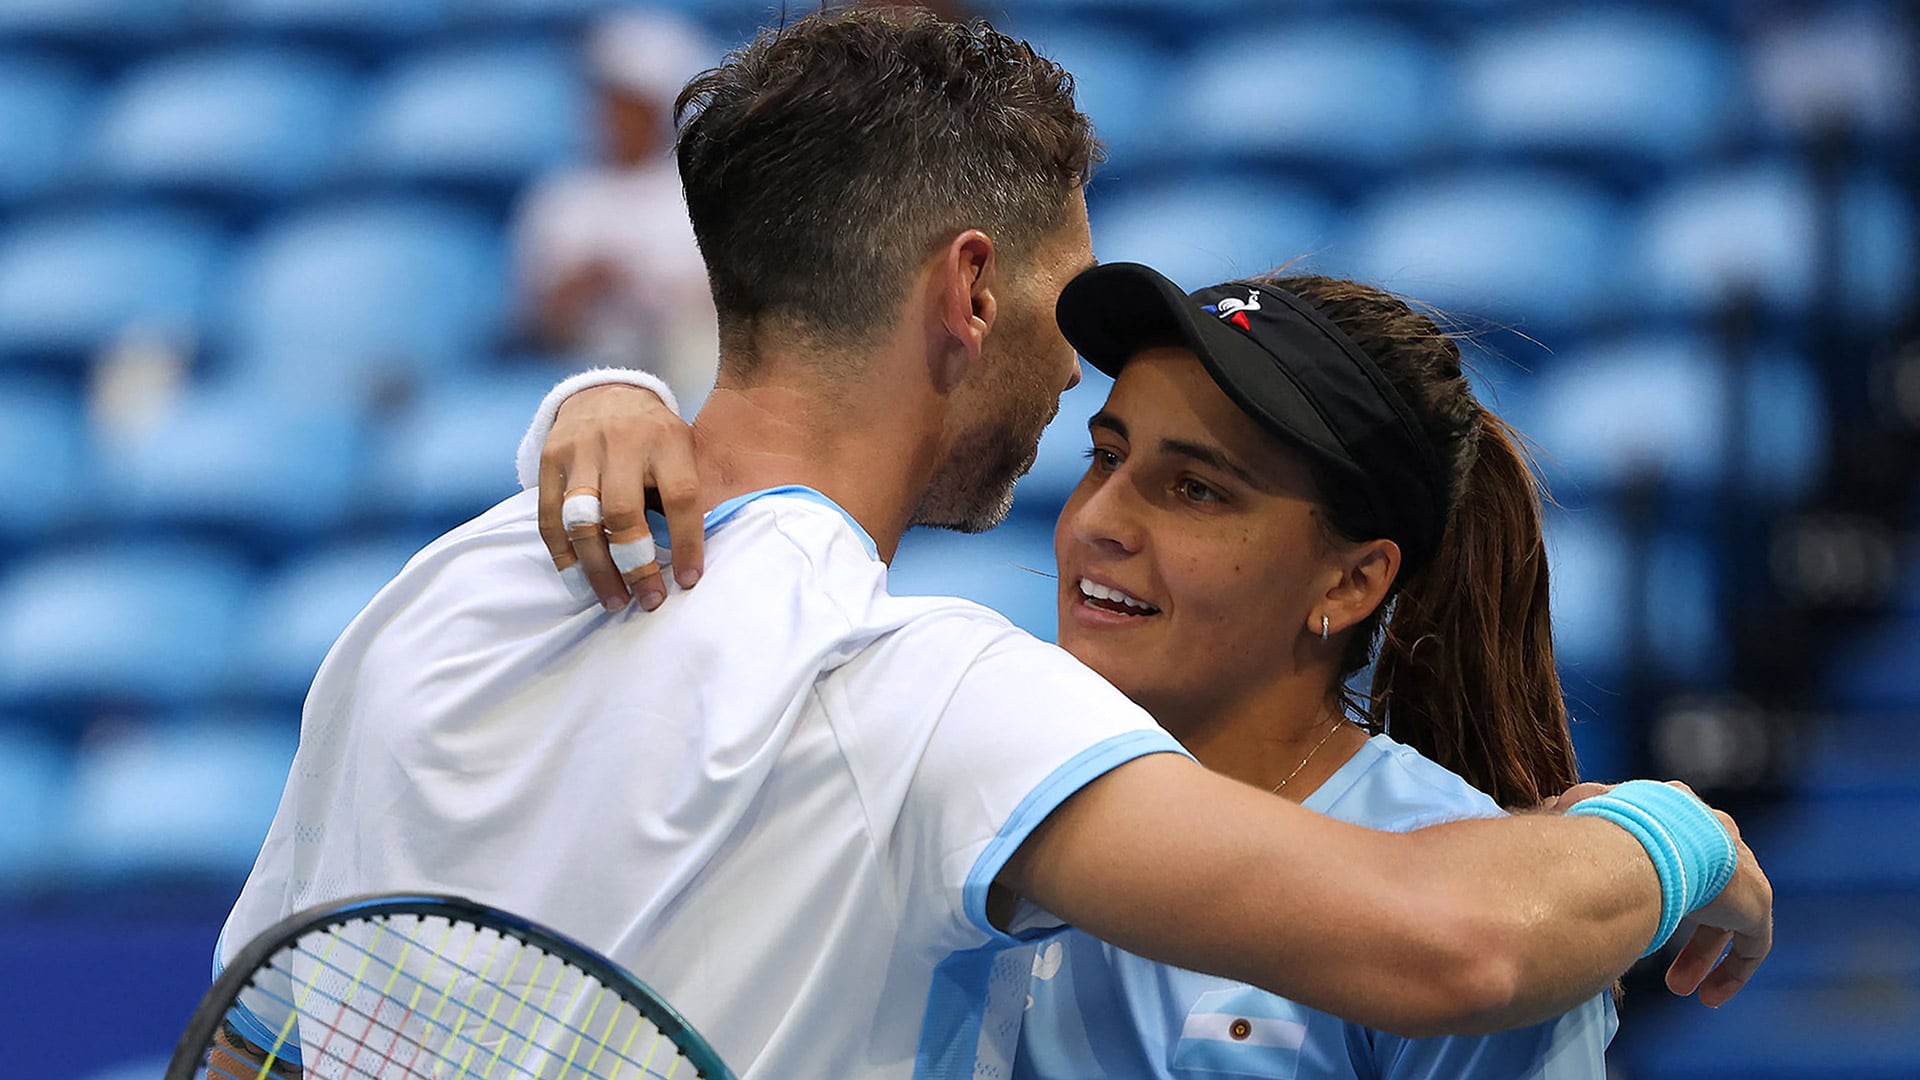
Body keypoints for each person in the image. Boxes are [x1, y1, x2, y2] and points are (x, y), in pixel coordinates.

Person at [219, 10, 1768, 1080]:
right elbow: (1448, 945)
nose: (1067, 392)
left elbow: (249, 1047)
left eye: (1199, 483)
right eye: (1057, 304)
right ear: (968, 292)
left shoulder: (442, 593)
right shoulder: (930, 701)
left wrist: (612, 396)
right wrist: (1682, 833)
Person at [527, 263, 1619, 1078]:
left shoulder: (1493, 903)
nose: (1100, 521)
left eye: (1196, 490)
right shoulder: (956, 750)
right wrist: (605, 398)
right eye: (1106, 457)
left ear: (1351, 582)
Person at [511, 8, 721, 408]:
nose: (613, 116)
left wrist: (647, 290)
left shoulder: (700, 193)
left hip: (685, 379)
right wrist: (581, 287)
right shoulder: (562, 198)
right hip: (582, 377)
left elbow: (719, 310)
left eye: (629, 102)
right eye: (607, 101)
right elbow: (536, 324)